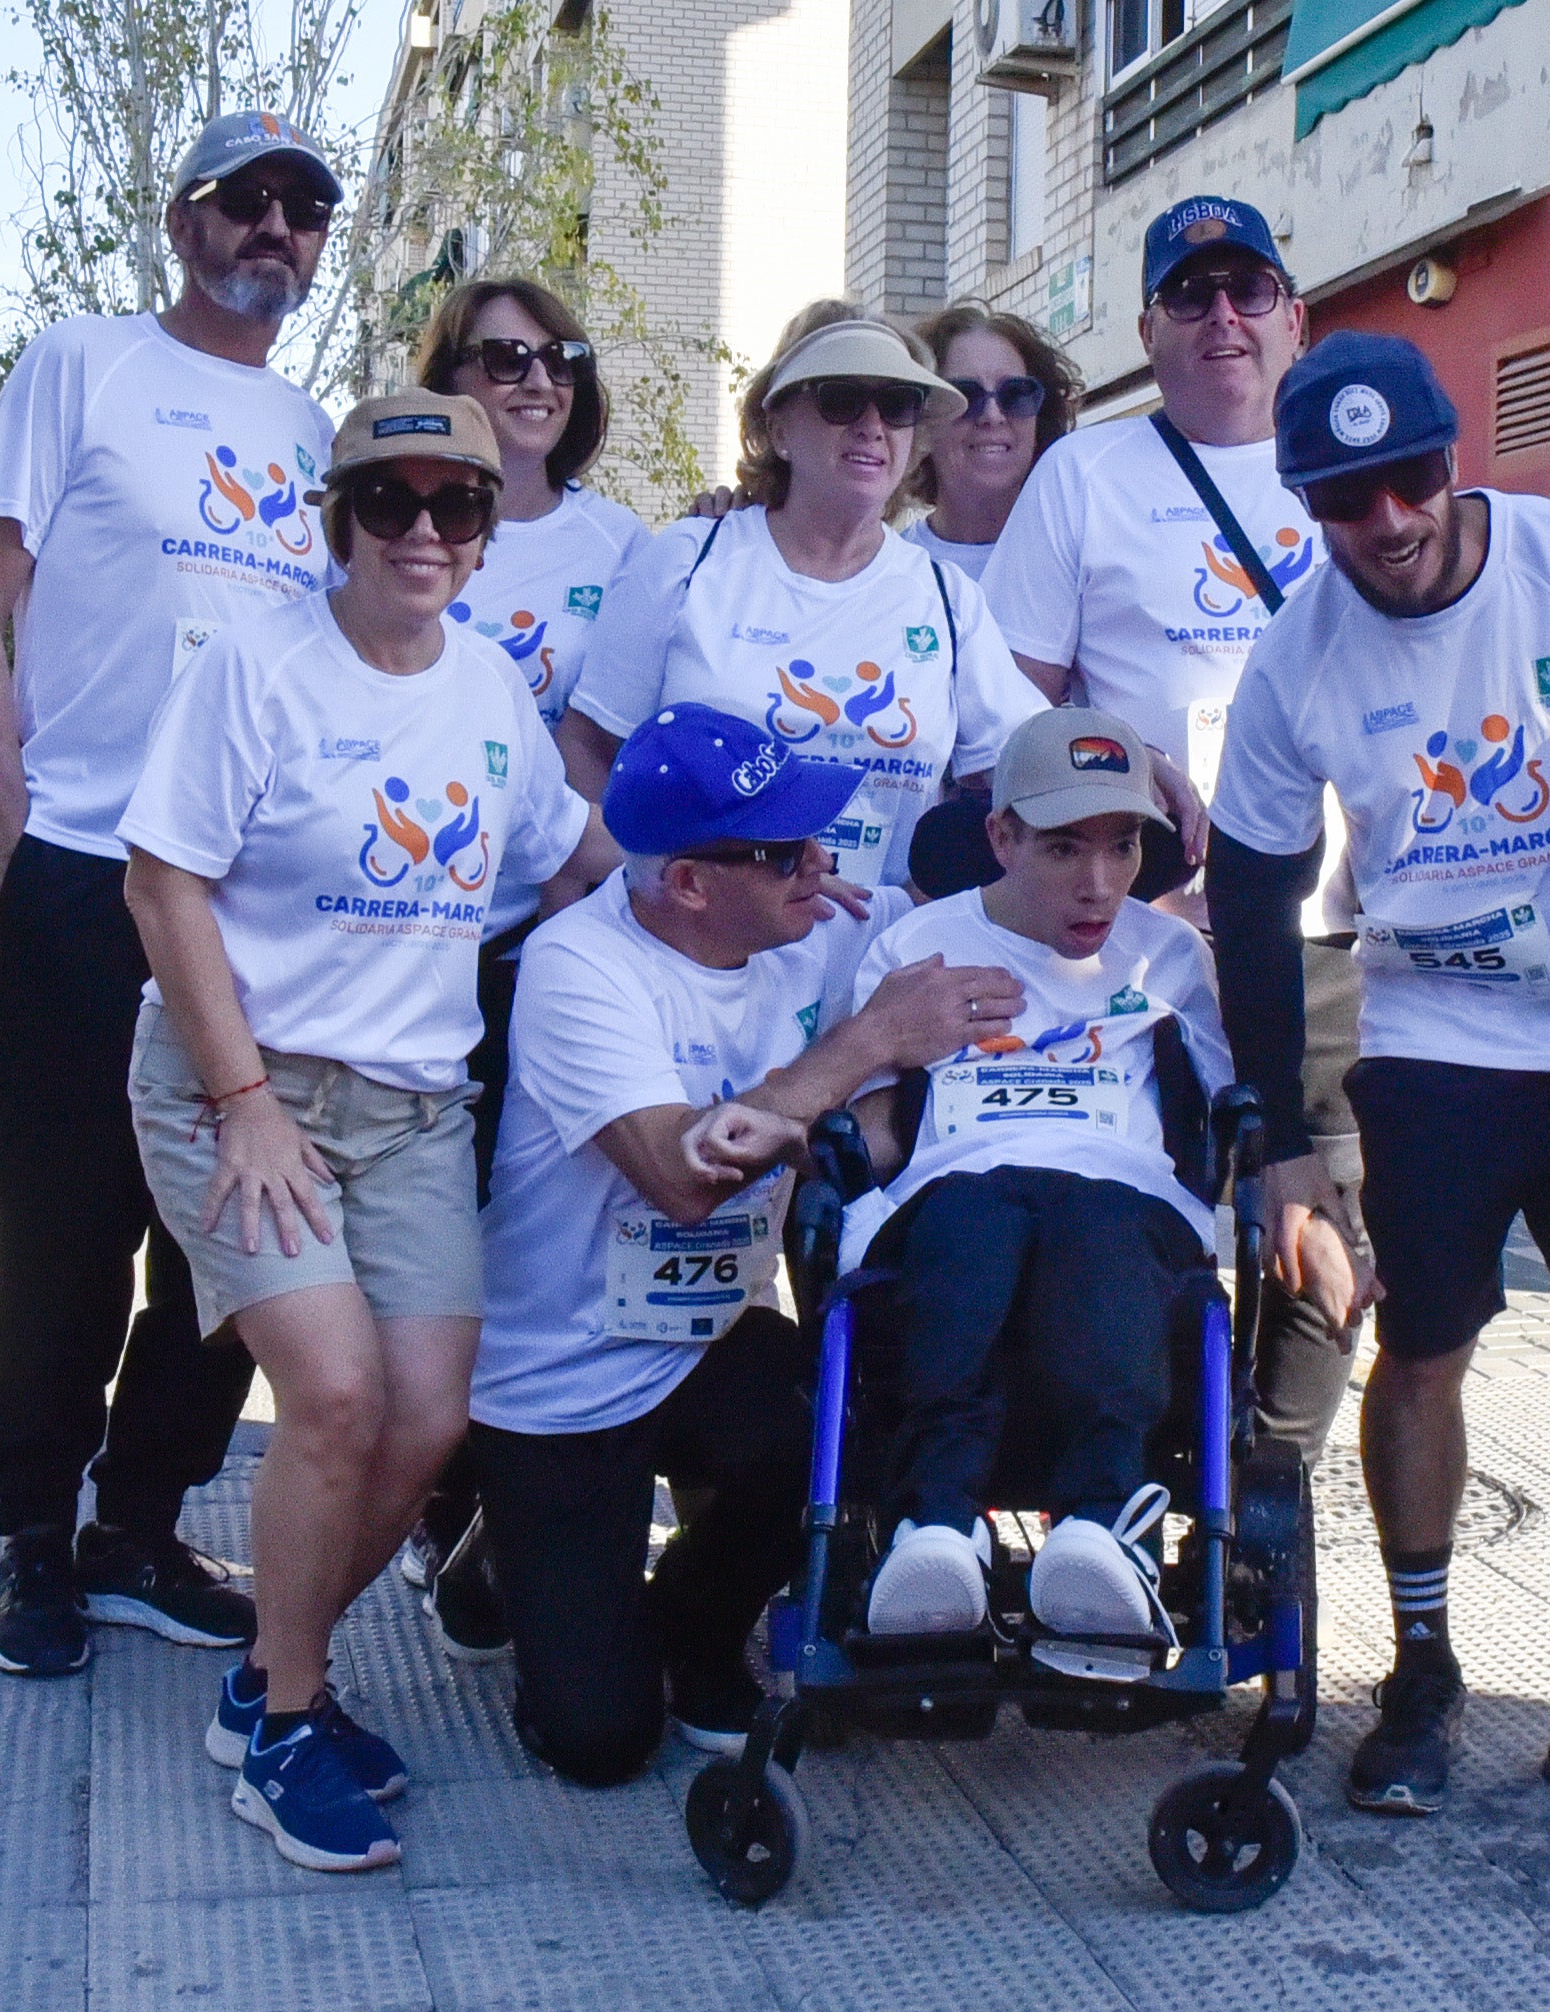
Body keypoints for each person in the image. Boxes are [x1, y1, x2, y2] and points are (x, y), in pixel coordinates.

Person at [1207, 334, 1550, 1836]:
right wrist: (1285, 1136)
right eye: (1344, 498)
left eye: (1411, 479)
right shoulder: (1298, 653)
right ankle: (1419, 1670)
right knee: (1419, 1353)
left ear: (1457, 457)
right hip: (1429, 1047)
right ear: (1307, 503)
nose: (1387, 520)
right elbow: (1249, 890)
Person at [118, 391, 607, 1873]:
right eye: (385, 502)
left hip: (410, 1109)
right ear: (339, 520)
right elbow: (161, 886)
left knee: (427, 1412)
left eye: (453, 505)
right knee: (332, 1397)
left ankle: (272, 1670)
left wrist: (754, 892)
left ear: (483, 528)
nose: (420, 531)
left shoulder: (487, 690)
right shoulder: (260, 666)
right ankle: (288, 1717)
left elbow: (577, 857)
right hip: (243, 1083)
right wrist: (245, 1102)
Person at [0, 109, 341, 1679]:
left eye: (305, 211)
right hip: (87, 870)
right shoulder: (79, 365)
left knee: (232, 1237)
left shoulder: (313, 436)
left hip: (245, 902)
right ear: (185, 221)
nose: (277, 231)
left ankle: (140, 1525)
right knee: (60, 1226)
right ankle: (34, 1533)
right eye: (248, 201)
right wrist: (9, 838)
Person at [469, 703, 1025, 1783]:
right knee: (599, 1745)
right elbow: (680, 1176)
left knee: (870, 1398)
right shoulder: (578, 965)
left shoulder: (812, 933)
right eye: (783, 852)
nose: (821, 864)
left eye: (817, 837)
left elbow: (875, 1126)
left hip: (716, 1337)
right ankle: (500, 1551)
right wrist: (858, 1049)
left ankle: (692, 1622)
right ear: (686, 883)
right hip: (563, 1372)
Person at [981, 194, 1364, 1467]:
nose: (1221, 319)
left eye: (1247, 291)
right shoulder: (1081, 477)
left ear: (1293, 317)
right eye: (1189, 296)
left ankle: (1262, 1486)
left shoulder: (1358, 461)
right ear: (1146, 328)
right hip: (1136, 929)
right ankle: (1142, 1477)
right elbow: (1007, 707)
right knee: (1145, 1210)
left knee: (1322, 1232)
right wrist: (1127, 773)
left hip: (1328, 929)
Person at [843, 707, 1233, 1643]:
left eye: (1122, 847)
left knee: (1092, 1216)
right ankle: (935, 1528)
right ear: (1001, 835)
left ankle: (1101, 1530)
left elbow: (1227, 1121)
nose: (1097, 884)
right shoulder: (919, 947)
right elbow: (869, 1128)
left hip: (1123, 1198)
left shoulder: (1170, 956)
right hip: (958, 1187)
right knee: (975, 1215)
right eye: (1063, 849)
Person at [391, 277, 650, 1664]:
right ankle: (451, 1505)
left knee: (565, 1232)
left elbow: (630, 742)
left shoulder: (626, 544)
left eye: (559, 357)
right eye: (501, 358)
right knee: (456, 1242)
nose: (536, 379)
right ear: (452, 376)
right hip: (434, 940)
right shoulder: (406, 519)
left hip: (574, 933)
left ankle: (542, 1506)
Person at [556, 305, 1051, 903]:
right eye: (842, 399)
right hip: (700, 957)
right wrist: (595, 911)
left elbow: (1032, 770)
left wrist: (1141, 763)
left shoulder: (947, 599)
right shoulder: (689, 561)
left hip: (877, 959)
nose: (872, 426)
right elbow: (588, 748)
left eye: (897, 406)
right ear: (780, 429)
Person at [901, 302, 1081, 580]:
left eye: (1016, 393)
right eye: (966, 396)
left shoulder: (1083, 560)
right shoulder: (888, 573)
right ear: (923, 419)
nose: (992, 415)